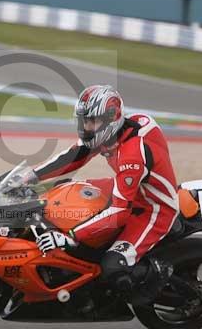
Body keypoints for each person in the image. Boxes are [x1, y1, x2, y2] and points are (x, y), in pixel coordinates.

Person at [33, 85, 178, 301]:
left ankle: (156, 277)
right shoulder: (110, 133)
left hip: (152, 208)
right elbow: (75, 156)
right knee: (61, 193)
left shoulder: (132, 155)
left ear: (112, 118)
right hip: (128, 188)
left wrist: (69, 237)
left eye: (92, 121)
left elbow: (119, 212)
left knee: (111, 266)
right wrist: (30, 176)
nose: (87, 127)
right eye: (84, 121)